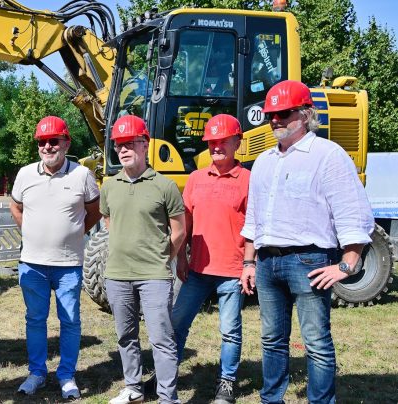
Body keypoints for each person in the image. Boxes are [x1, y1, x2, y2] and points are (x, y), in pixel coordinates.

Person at [240, 80, 374, 404]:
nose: (275, 120)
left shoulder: (327, 155)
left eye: (283, 113)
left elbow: (352, 212)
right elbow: (254, 219)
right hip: (268, 263)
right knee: (271, 340)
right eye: (271, 114)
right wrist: (248, 262)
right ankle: (272, 400)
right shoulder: (264, 162)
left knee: (315, 341)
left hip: (310, 262)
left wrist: (347, 264)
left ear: (305, 114)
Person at [9, 115, 101, 400]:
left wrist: (74, 234)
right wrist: (31, 231)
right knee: (35, 320)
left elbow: (94, 211)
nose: (48, 146)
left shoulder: (81, 175)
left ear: (66, 142)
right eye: (42, 142)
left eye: (54, 141)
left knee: (70, 321)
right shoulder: (25, 174)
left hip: (68, 266)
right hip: (32, 265)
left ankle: (66, 375)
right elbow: (15, 206)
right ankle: (37, 372)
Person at [101, 115, 186, 404]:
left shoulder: (165, 186)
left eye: (129, 143)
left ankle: (167, 397)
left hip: (155, 275)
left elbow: (179, 230)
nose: (123, 150)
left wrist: (163, 259)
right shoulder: (110, 186)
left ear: (144, 144)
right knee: (126, 336)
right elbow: (110, 221)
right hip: (117, 274)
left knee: (161, 339)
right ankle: (134, 388)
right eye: (118, 145)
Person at [171, 114, 250, 404]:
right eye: (212, 142)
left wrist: (249, 265)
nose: (216, 147)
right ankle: (168, 374)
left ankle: (226, 383)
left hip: (231, 270)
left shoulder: (247, 180)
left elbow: (253, 227)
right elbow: (184, 224)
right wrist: (181, 259)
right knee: (177, 323)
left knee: (229, 331)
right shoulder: (195, 179)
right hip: (197, 269)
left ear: (237, 142)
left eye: (222, 142)